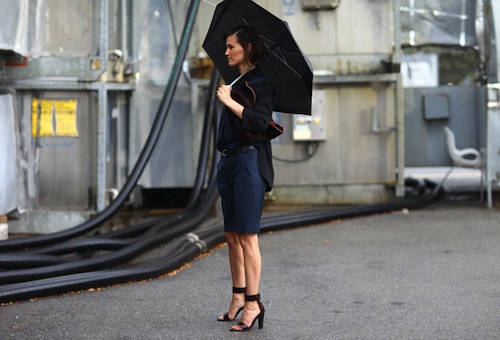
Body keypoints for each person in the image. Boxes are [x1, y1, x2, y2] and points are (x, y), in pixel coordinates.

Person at [215, 26, 275, 332]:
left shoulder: (261, 83)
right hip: (229, 162)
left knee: (249, 237)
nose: (226, 52)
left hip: (250, 162)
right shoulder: (235, 81)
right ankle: (238, 298)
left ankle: (253, 303)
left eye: (231, 47)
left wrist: (230, 102)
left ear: (247, 48)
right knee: (233, 235)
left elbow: (259, 121)